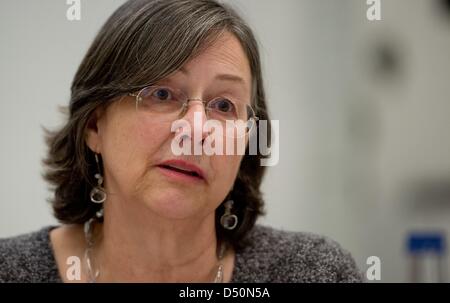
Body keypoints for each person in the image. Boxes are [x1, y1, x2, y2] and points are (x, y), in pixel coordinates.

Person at [0, 0, 362, 283]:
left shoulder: (314, 270)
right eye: (161, 94)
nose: (196, 130)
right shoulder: (11, 270)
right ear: (94, 125)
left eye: (223, 105)